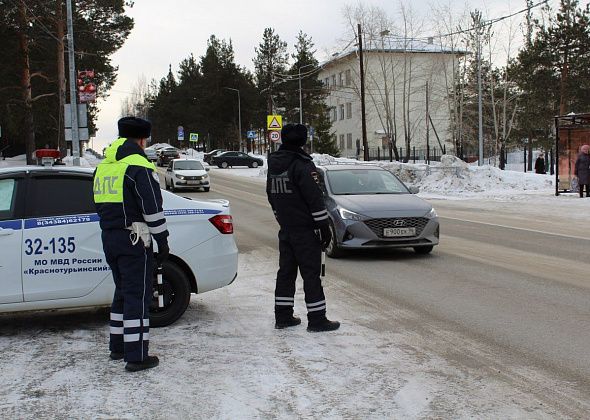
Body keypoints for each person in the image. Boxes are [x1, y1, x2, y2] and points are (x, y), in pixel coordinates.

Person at [93, 117, 169, 371]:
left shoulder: (104, 166)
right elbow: (152, 208)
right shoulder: (138, 166)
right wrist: (162, 239)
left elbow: (97, 204)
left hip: (109, 237)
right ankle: (136, 356)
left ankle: (118, 346)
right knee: (138, 295)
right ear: (142, 139)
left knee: (122, 293)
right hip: (134, 239)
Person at [266, 123, 340, 332]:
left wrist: (281, 218)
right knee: (311, 273)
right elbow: (314, 198)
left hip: (287, 229)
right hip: (306, 230)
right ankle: (317, 319)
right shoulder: (303, 165)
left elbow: (271, 195)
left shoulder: (274, 164)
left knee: (286, 273)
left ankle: (283, 316)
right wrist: (323, 226)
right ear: (303, 141)